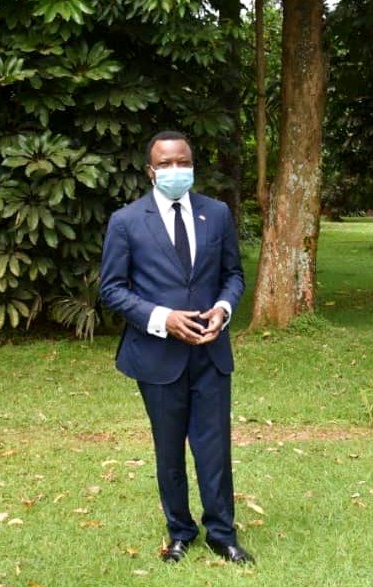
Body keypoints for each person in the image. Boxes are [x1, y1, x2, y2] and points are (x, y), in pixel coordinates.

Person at [99, 130, 252, 564]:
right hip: (157, 357)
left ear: (192, 165)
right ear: (150, 171)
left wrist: (223, 308)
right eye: (164, 164)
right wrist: (162, 319)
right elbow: (112, 289)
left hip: (210, 352)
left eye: (181, 162)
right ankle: (180, 531)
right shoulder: (127, 222)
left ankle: (222, 533)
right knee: (169, 448)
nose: (174, 170)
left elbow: (234, 275)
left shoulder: (216, 214)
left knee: (214, 445)